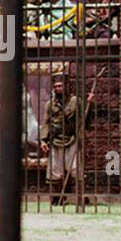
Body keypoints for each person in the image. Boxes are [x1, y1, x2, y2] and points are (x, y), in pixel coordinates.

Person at [40, 68, 94, 205]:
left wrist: (90, 104)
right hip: (55, 139)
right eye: (56, 86)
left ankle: (81, 197)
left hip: (72, 139)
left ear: (66, 86)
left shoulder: (76, 102)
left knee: (76, 169)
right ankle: (57, 198)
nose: (58, 88)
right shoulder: (49, 104)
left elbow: (85, 120)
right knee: (55, 171)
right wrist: (43, 140)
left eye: (60, 86)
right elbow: (45, 122)